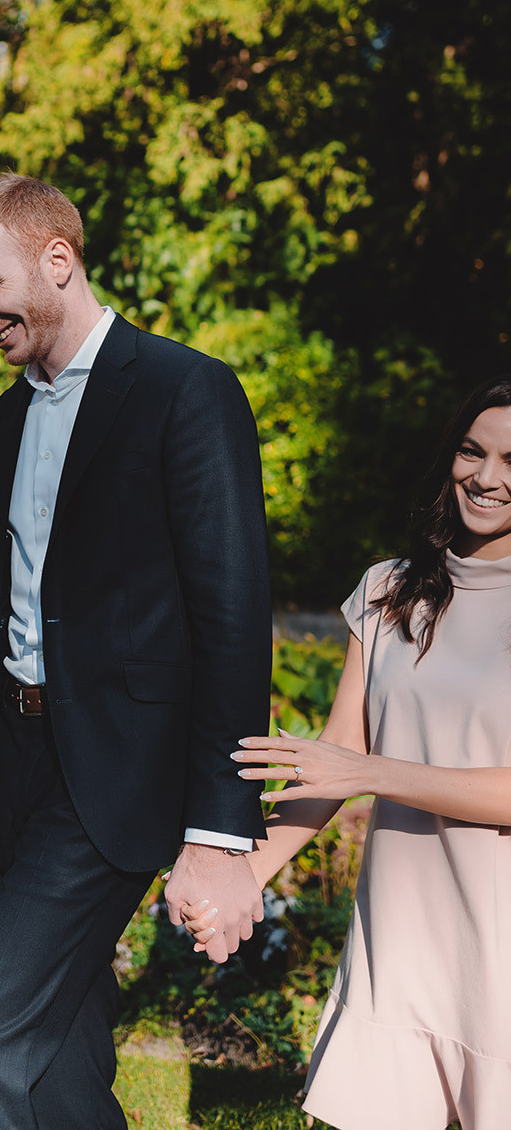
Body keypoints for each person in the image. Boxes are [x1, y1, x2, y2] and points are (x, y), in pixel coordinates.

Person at [0, 173, 274, 1129]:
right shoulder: (11, 415)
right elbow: (10, 621)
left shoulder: (185, 391)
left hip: (116, 778)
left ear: (57, 260)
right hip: (17, 773)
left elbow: (234, 622)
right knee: (64, 1061)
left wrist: (217, 831)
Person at [183, 374, 511, 1130]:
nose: (486, 478)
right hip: (400, 938)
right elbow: (336, 756)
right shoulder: (389, 590)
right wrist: (242, 876)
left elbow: (355, 767)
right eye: (471, 451)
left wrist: (369, 774)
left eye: (508, 461)